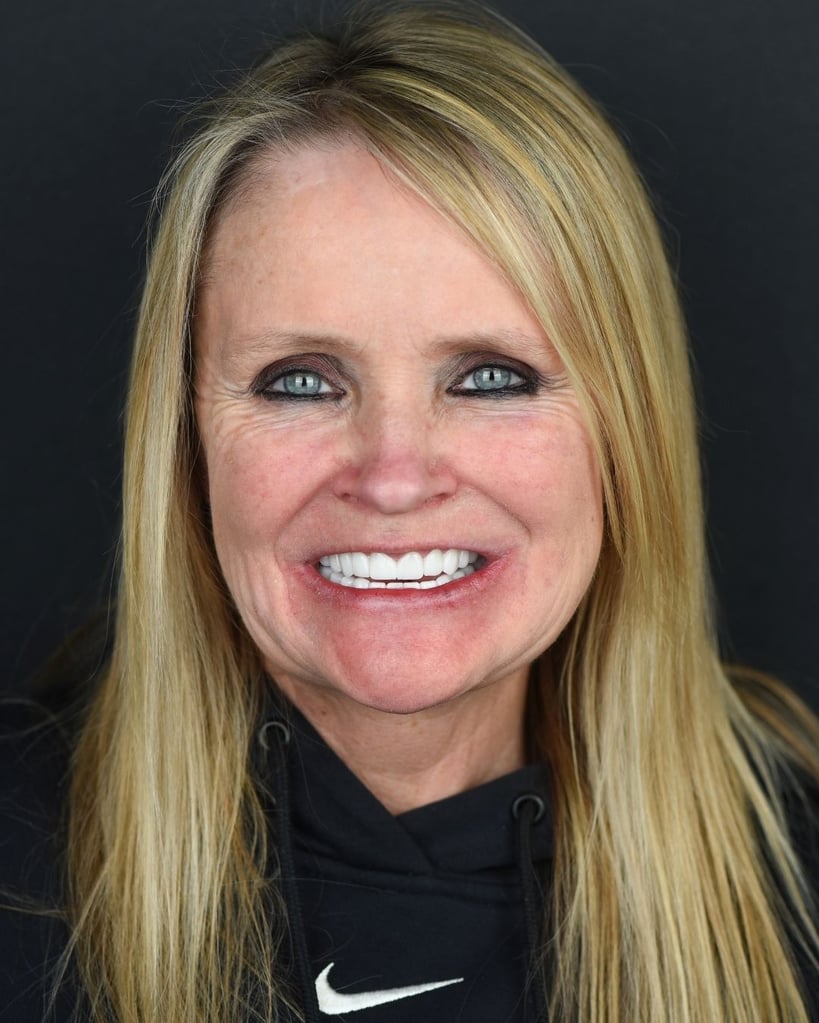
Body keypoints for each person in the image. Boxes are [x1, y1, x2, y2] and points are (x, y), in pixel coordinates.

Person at [2, 2, 818, 1020]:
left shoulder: (796, 877)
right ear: (184, 439)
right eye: (300, 382)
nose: (392, 476)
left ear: (626, 432)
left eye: (489, 377)